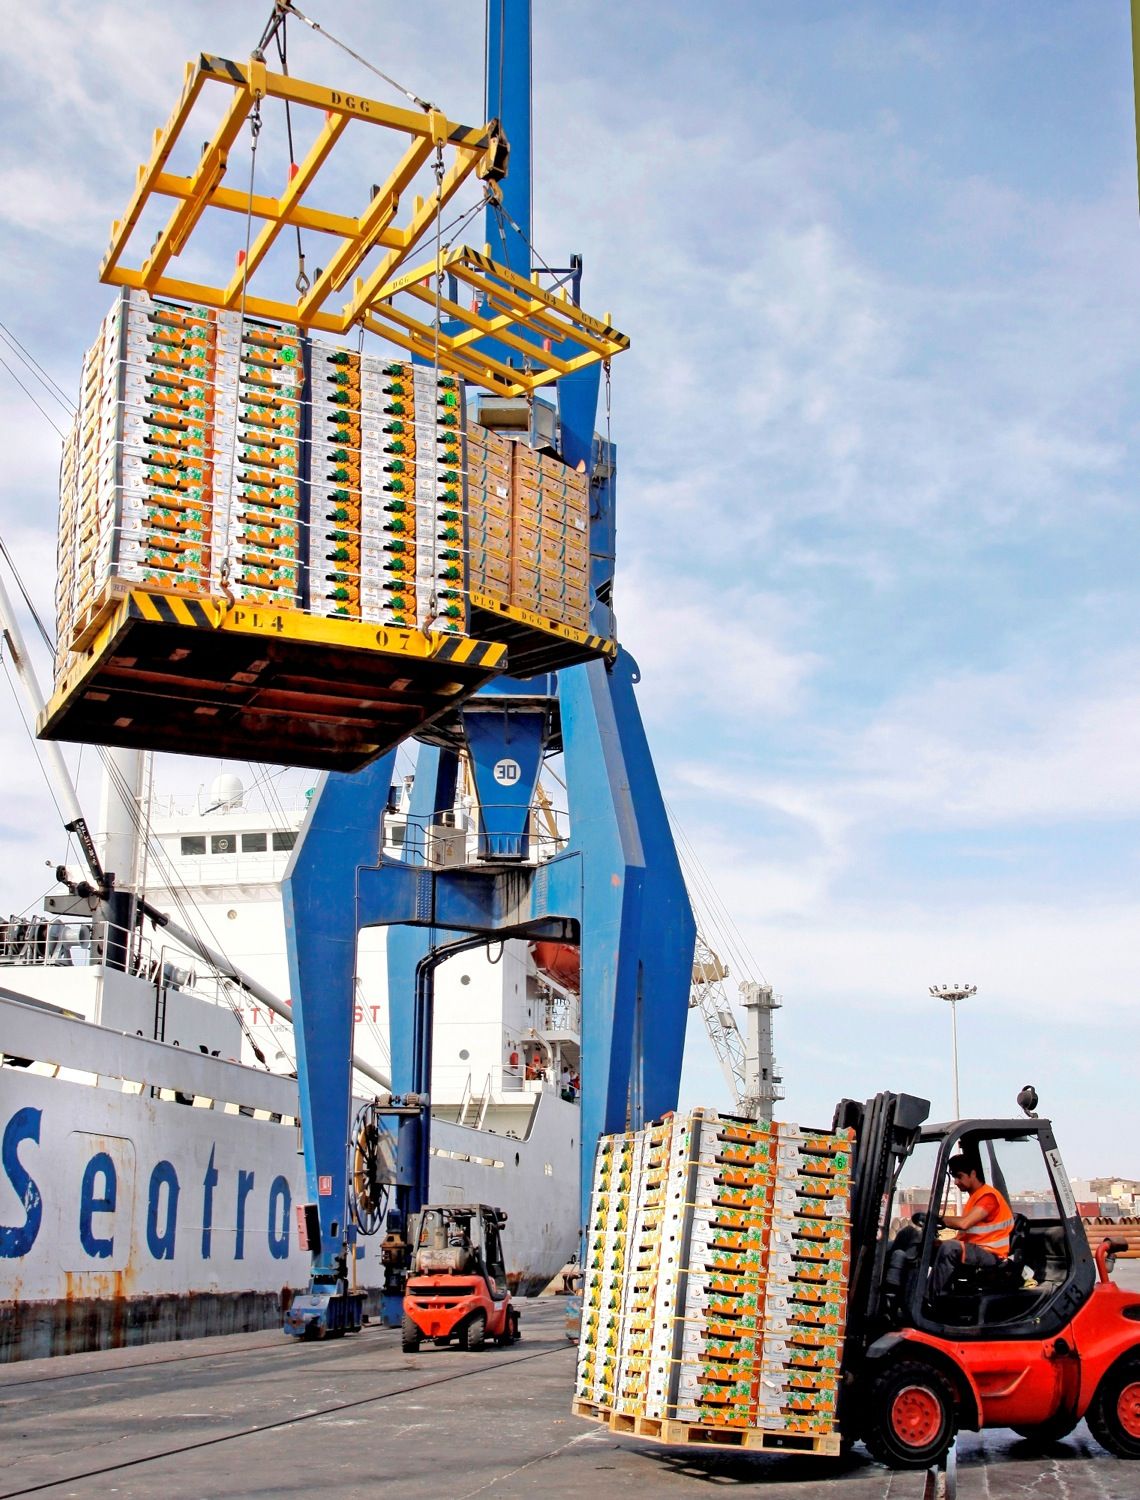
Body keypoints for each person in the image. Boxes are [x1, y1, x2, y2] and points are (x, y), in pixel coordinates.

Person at [930, 1154, 1014, 1297]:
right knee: (920, 1241)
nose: (956, 1182)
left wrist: (936, 1219)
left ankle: (932, 1300)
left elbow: (964, 1223)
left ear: (973, 1174)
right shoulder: (974, 1198)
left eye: (959, 1176)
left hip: (992, 1255)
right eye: (954, 1177)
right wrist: (938, 1243)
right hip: (977, 1250)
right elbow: (968, 1236)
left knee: (950, 1248)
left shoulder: (988, 1197)